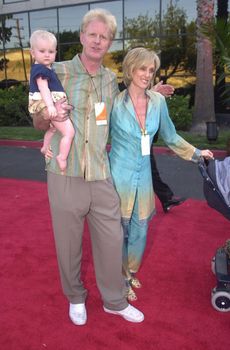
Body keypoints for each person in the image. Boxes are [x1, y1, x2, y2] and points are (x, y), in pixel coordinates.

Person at [32, 9, 145, 325]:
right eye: (92, 34)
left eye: (104, 36)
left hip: (100, 173)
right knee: (68, 245)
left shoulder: (111, 79)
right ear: (81, 36)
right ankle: (76, 298)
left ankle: (114, 301)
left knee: (111, 242)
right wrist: (48, 116)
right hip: (65, 173)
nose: (98, 40)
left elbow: (123, 109)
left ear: (110, 42)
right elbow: (37, 118)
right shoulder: (59, 72)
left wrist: (152, 96)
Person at [108, 47, 214, 301]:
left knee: (140, 229)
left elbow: (170, 136)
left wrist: (198, 153)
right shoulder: (114, 102)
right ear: (130, 69)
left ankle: (130, 270)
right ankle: (119, 279)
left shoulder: (158, 102)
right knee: (118, 231)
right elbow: (98, 137)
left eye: (151, 70)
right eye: (142, 68)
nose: (147, 74)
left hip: (143, 178)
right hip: (117, 177)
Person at [29, 30, 75, 172]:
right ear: (32, 53)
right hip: (46, 103)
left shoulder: (46, 68)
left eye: (51, 51)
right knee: (69, 133)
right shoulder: (40, 70)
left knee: (53, 128)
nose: (47, 54)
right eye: (42, 51)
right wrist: (50, 106)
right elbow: (44, 89)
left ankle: (44, 147)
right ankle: (62, 156)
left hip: (49, 103)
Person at [150, 143, 186, 213]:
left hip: (145, 143)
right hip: (135, 145)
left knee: (152, 173)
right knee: (151, 173)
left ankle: (166, 199)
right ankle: (166, 199)